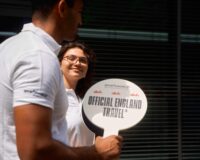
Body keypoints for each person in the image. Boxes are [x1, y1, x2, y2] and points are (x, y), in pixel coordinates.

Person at [0, 0, 123, 160]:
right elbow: (35, 150)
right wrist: (96, 152)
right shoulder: (39, 56)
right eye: (79, 11)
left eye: (83, 60)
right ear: (62, 8)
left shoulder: (7, 47)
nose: (81, 20)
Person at [58, 41, 96, 147]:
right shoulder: (52, 97)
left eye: (83, 60)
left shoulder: (85, 101)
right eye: (71, 58)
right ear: (59, 63)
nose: (77, 63)